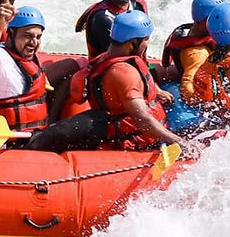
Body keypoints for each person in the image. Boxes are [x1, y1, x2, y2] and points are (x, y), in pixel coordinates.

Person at [25, 11, 198, 156]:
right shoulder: (124, 73)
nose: (147, 44)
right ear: (134, 42)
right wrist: (180, 143)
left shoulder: (104, 59)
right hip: (137, 145)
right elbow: (142, 119)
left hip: (124, 132)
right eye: (146, 40)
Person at [0, 3, 79, 136]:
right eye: (27, 36)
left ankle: (51, 122)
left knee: (73, 69)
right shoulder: (0, 60)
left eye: (38, 37)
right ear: (10, 33)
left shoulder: (22, 55)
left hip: (36, 132)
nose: (34, 42)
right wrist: (0, 25)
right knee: (94, 123)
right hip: (15, 140)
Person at [162, 0, 227, 103]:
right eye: (219, 17)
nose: (224, 21)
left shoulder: (209, 32)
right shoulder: (197, 53)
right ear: (205, 21)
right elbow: (188, 83)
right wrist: (202, 102)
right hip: (208, 84)